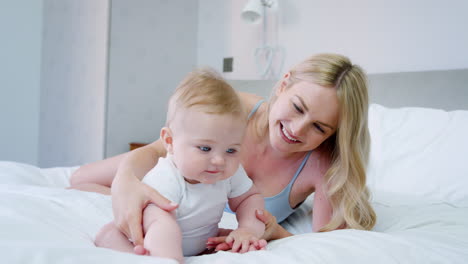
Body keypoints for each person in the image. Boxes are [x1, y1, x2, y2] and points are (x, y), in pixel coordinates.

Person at [70, 53, 377, 251]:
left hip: (203, 230)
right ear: (284, 85)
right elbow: (158, 150)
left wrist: (275, 232)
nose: (297, 129)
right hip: (173, 197)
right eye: (297, 108)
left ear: (334, 134)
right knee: (80, 180)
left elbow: (331, 246)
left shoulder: (321, 164)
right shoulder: (237, 109)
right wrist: (127, 184)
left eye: (320, 127)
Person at [91, 68, 265, 262]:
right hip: (145, 237)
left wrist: (247, 229)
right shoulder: (166, 177)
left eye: (231, 150)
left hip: (196, 243)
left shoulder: (230, 173)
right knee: (134, 233)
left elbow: (249, 199)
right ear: (170, 142)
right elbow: (159, 225)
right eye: (205, 148)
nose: (220, 160)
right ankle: (116, 241)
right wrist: (169, 258)